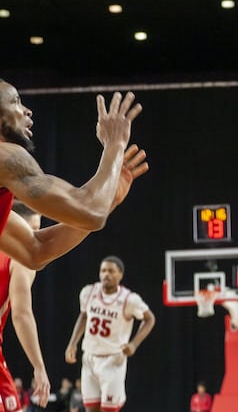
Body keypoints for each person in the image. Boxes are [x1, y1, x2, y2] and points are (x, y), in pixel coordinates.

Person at [0, 80, 148, 271]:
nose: (27, 110)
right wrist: (114, 145)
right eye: (15, 101)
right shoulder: (5, 157)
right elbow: (90, 211)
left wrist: (109, 197)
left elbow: (36, 250)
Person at [64, 256, 156, 412]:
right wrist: (73, 343)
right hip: (90, 358)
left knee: (108, 409)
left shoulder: (129, 299)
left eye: (111, 271)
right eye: (103, 270)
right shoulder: (88, 292)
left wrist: (134, 344)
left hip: (113, 360)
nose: (106, 274)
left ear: (120, 275)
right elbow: (84, 315)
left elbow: (150, 319)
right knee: (91, 409)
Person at [0, 202, 49, 412]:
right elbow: (21, 314)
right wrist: (39, 367)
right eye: (32, 231)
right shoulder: (20, 258)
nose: (34, 239)